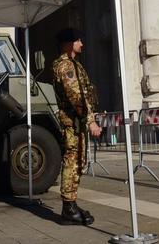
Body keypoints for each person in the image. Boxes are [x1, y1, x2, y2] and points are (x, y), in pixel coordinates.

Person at [51, 27, 102, 226]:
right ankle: (68, 209)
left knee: (78, 161)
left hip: (77, 122)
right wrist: (91, 121)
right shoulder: (66, 67)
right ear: (70, 43)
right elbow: (76, 97)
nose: (82, 44)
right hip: (73, 122)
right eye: (78, 40)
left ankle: (71, 205)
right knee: (72, 162)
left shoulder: (74, 65)